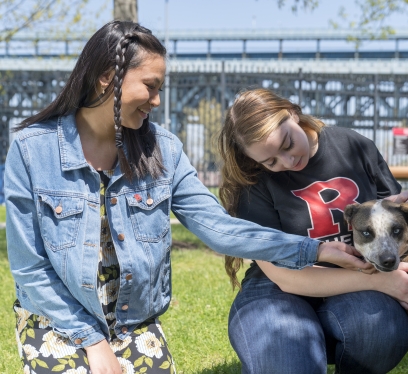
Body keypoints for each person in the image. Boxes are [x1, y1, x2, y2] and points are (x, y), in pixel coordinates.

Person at [5, 22, 358, 374]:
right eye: (150, 86)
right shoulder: (31, 150)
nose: (157, 101)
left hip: (132, 324)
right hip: (58, 320)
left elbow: (220, 229)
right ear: (108, 77)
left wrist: (315, 250)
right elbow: (29, 267)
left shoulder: (164, 150)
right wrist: (93, 343)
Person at [218, 88, 408, 374]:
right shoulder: (253, 180)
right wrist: (381, 283)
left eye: (287, 144)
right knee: (286, 360)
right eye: (270, 161)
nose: (287, 162)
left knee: (381, 331)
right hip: (279, 287)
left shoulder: (353, 144)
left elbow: (394, 217)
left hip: (357, 280)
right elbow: (283, 276)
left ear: (293, 113)